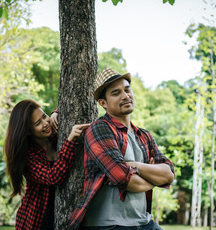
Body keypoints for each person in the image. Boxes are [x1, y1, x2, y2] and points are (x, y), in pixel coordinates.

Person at [70, 68, 175, 230]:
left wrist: (134, 165)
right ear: (103, 103)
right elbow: (125, 180)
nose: (125, 96)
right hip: (108, 225)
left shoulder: (144, 135)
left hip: (143, 222)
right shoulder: (99, 130)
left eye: (127, 89)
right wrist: (154, 179)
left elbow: (168, 174)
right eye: (116, 93)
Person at [4, 99, 90, 230]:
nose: (45, 123)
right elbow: (53, 177)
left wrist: (56, 113)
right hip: (37, 219)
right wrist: (70, 140)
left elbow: (68, 107)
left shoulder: (54, 137)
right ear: (28, 131)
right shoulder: (28, 156)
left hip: (59, 212)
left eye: (44, 116)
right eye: (38, 123)